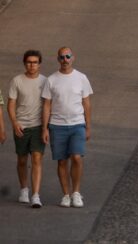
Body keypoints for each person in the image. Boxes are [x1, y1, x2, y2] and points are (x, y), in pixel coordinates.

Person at [41, 47, 93, 208]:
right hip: (57, 126)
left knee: (76, 157)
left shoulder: (81, 78)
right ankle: (66, 194)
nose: (65, 60)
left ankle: (76, 192)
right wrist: (45, 128)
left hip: (77, 124)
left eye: (68, 56)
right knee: (62, 161)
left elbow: (86, 103)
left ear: (73, 58)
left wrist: (88, 126)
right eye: (62, 57)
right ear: (58, 60)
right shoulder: (51, 80)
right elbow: (47, 105)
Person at [8, 50, 47, 209]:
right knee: (22, 159)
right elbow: (11, 103)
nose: (32, 65)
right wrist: (14, 122)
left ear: (39, 64)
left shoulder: (45, 81)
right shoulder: (17, 80)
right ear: (25, 63)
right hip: (21, 126)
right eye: (29, 62)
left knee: (37, 159)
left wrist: (46, 127)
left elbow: (48, 104)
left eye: (35, 62)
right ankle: (24, 189)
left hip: (38, 126)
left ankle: (36, 195)